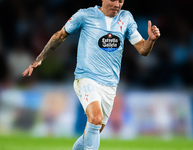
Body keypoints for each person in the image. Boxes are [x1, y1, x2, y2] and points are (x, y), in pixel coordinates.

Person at [22, 0, 160, 149]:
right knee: (95, 118)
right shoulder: (85, 15)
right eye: (114, 0)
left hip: (110, 85)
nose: (117, 4)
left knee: (92, 132)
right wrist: (40, 58)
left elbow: (142, 49)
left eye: (121, 1)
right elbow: (60, 35)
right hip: (86, 78)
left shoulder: (126, 18)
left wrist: (151, 41)